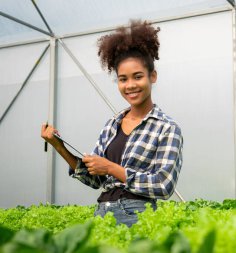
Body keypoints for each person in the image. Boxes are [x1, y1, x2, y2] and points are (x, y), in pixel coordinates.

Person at [41, 20, 183, 227]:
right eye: (123, 79)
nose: (130, 85)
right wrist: (58, 146)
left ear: (153, 76)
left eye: (138, 77)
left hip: (137, 214)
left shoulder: (166, 128)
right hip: (102, 213)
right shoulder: (112, 125)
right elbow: (95, 180)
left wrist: (110, 167)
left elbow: (163, 185)